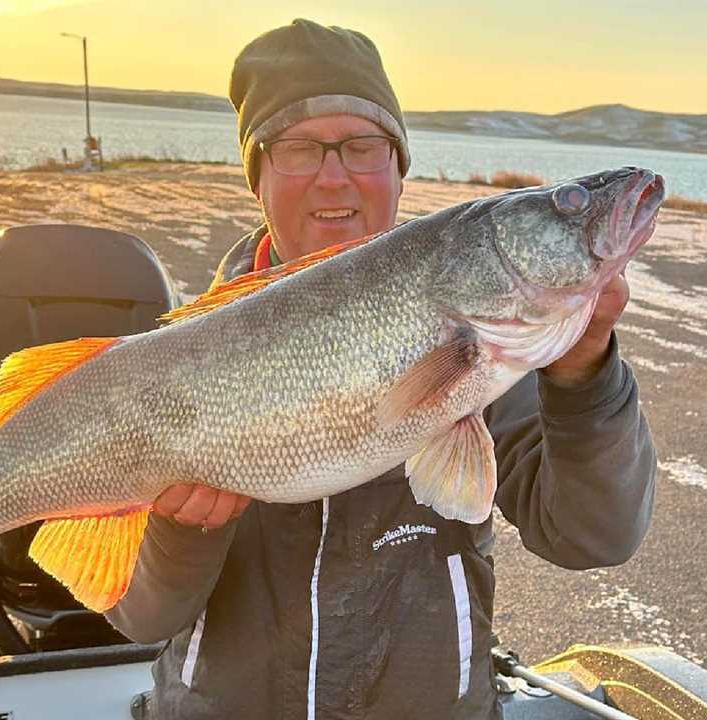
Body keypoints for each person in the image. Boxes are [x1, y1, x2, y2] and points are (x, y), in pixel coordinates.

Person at [105, 18, 657, 720]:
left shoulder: (487, 345)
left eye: (363, 146)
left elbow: (594, 535)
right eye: (301, 148)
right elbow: (141, 618)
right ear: (259, 175)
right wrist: (184, 531)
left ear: (399, 168)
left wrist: (585, 381)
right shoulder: (183, 357)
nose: (334, 176)